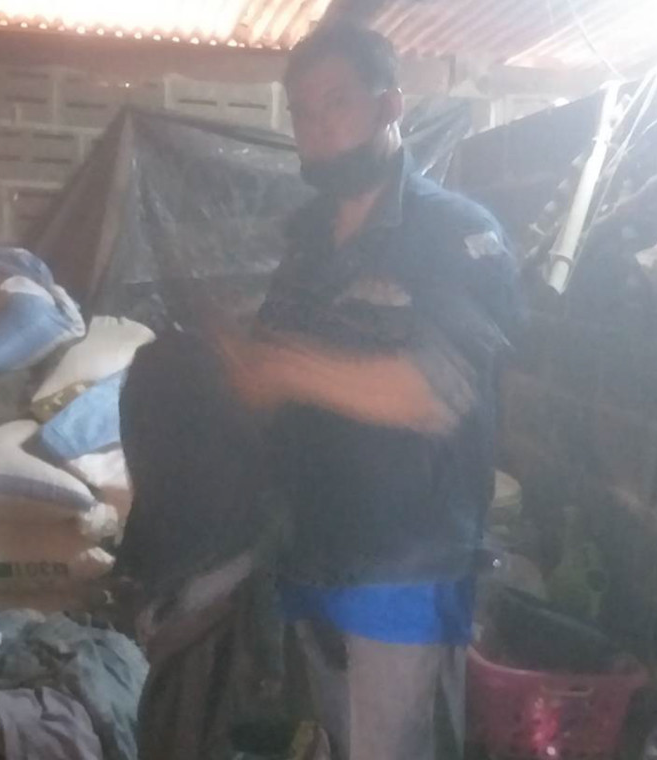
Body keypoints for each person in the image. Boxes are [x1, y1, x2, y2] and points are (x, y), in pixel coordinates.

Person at [221, 22, 520, 760]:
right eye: (302, 112)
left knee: (392, 747)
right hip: (309, 544)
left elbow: (435, 392)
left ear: (390, 105)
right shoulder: (306, 243)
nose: (318, 128)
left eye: (338, 103)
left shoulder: (455, 235)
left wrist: (283, 368)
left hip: (404, 565)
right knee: (327, 736)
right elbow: (265, 376)